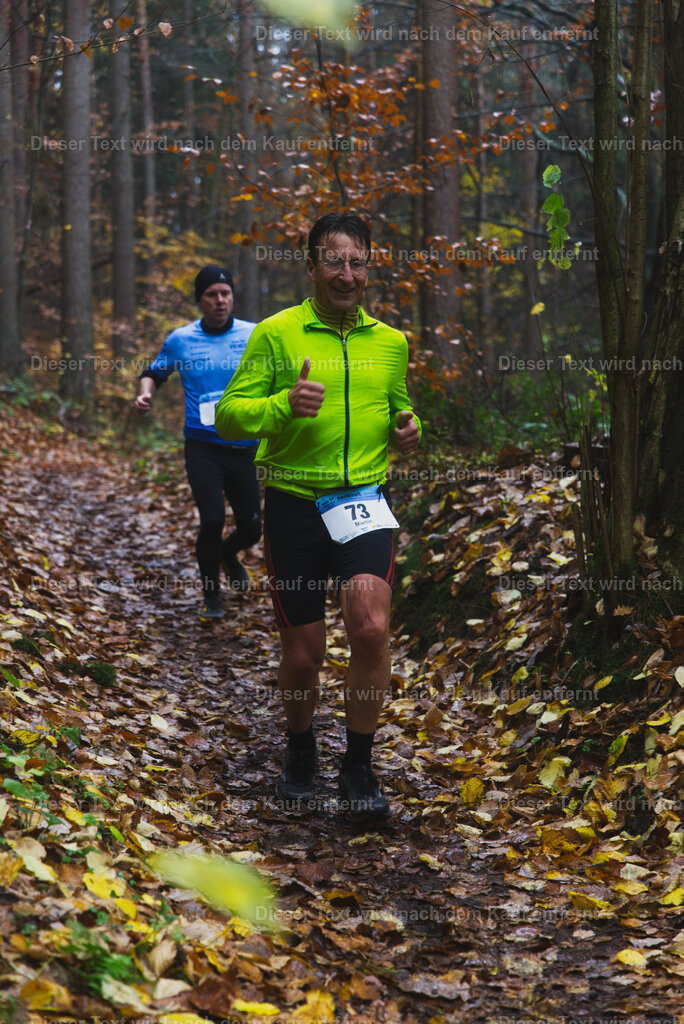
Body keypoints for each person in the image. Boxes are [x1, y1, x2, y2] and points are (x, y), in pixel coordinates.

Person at [215, 213, 421, 823]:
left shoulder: (391, 343)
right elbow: (229, 417)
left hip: (362, 500)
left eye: (357, 262)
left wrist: (412, 429)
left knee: (370, 628)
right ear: (311, 268)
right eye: (334, 261)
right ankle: (300, 749)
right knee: (303, 655)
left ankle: (357, 765)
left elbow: (401, 410)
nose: (347, 274)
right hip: (293, 502)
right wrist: (283, 404)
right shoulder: (277, 335)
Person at [135, 266, 262, 622]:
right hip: (203, 447)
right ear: (199, 300)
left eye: (225, 293)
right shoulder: (181, 339)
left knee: (252, 527)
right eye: (211, 295)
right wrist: (145, 396)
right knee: (211, 519)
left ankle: (227, 553)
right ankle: (212, 598)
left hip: (245, 447)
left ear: (232, 297)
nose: (220, 301)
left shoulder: (254, 335)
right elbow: (153, 373)